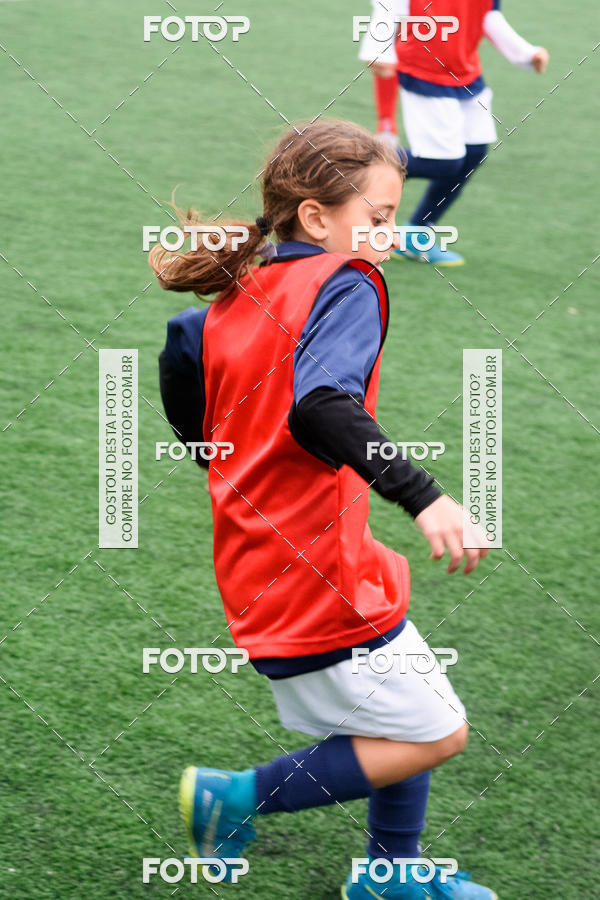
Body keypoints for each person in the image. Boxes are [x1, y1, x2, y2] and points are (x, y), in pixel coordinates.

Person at [152, 119, 493, 899]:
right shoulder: (345, 281)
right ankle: (231, 799)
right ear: (317, 218)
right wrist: (427, 496)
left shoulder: (249, 282)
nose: (388, 235)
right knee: (439, 731)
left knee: (401, 715)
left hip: (267, 553)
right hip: (314, 570)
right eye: (377, 218)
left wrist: (213, 453)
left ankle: (390, 875)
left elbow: (182, 349)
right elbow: (320, 408)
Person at [359, 0, 549, 265]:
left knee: (473, 153)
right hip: (423, 71)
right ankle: (354, 166)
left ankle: (417, 234)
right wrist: (378, 49)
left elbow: (488, 17)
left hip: (466, 73)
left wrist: (526, 54)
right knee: (443, 162)